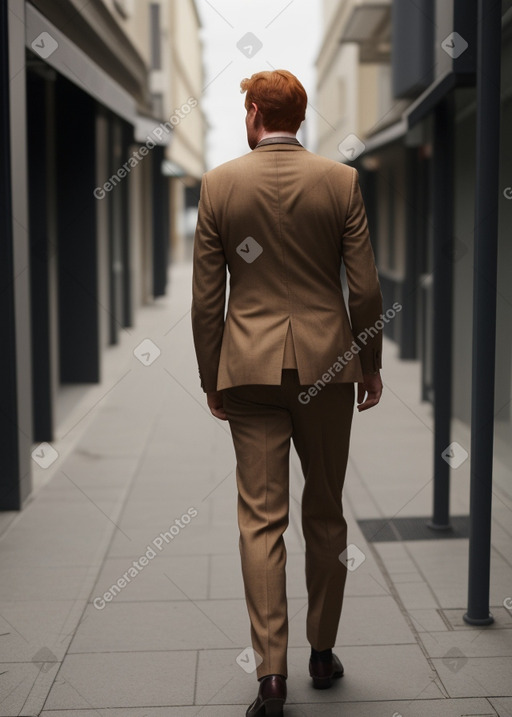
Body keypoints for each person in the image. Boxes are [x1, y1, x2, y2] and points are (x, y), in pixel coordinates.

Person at [191, 69, 383, 717]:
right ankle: (322, 653)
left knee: (260, 518)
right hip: (329, 368)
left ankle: (270, 675)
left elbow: (205, 298)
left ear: (252, 114)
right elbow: (364, 289)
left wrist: (210, 371)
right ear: (298, 117)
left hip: (246, 370)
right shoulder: (341, 182)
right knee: (325, 510)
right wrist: (371, 361)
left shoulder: (220, 184)